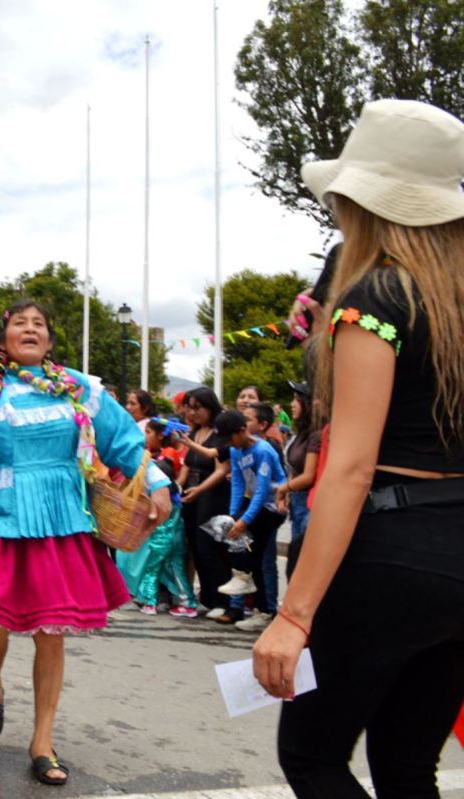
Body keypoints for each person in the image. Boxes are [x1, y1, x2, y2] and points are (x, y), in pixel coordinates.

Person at [253, 99, 464, 797]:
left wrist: (292, 614)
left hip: (389, 550)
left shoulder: (374, 297)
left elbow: (347, 466)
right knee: (408, 766)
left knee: (312, 755)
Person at [0, 300, 171, 787]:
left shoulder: (80, 387)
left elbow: (121, 437)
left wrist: (157, 482)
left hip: (59, 516)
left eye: (39, 324)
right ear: (3, 341)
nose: (31, 329)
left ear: (50, 341)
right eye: (20, 323)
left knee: (51, 629)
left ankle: (42, 739)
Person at [214, 410, 285, 631]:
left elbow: (264, 491)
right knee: (228, 533)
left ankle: (262, 608)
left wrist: (244, 521)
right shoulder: (236, 450)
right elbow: (237, 482)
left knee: (254, 557)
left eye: (231, 438)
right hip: (254, 503)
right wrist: (234, 515)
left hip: (272, 506)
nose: (230, 444)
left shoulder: (263, 450)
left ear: (243, 430)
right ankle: (246, 582)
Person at [120, 419, 198, 618]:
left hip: (162, 541)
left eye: (147, 431)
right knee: (167, 569)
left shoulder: (163, 487)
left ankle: (155, 602)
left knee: (153, 570)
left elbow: (155, 515)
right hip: (170, 539)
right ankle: (173, 601)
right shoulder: (172, 493)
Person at [176, 387, 232, 620]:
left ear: (211, 407)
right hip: (191, 494)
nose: (193, 412)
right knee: (195, 547)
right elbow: (186, 467)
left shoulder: (220, 434)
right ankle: (207, 597)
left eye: (198, 407)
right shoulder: (194, 433)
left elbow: (222, 470)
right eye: (189, 406)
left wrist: (199, 490)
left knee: (210, 546)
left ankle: (221, 599)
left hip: (212, 494)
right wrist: (175, 487)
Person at [275, 382, 319, 580]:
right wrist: (289, 493)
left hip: (311, 503)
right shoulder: (300, 435)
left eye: (297, 400)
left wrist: (283, 489)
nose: (292, 404)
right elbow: (295, 468)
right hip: (297, 503)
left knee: (304, 564)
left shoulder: (316, 435)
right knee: (294, 564)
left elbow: (309, 475)